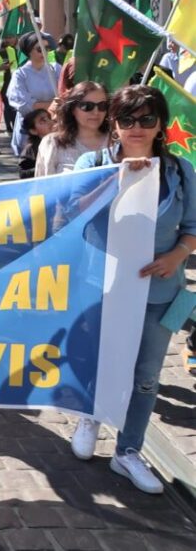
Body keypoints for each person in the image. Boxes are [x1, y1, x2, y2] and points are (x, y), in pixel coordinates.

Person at [70, 85, 196, 495]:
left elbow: (192, 227)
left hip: (158, 292)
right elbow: (72, 213)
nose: (136, 127)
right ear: (114, 124)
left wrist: (178, 255)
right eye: (127, 119)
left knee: (146, 375)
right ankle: (89, 417)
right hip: (102, 287)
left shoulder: (180, 171)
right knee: (99, 360)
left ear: (160, 125)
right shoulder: (93, 163)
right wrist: (117, 180)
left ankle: (128, 451)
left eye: (147, 119)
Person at [35, 81, 109, 176]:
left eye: (102, 106)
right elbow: (43, 183)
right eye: (87, 106)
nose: (96, 112)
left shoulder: (116, 142)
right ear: (73, 109)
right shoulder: (53, 143)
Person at [8, 32, 62, 154]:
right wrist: (52, 104)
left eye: (46, 48)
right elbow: (23, 105)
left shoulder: (55, 69)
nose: (44, 52)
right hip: (29, 132)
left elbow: (65, 95)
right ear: (29, 52)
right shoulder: (20, 74)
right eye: (39, 49)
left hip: (54, 129)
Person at [17, 109, 54, 179]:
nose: (50, 122)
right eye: (43, 121)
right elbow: (23, 174)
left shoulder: (64, 141)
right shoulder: (30, 150)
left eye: (49, 118)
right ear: (33, 131)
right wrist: (45, 167)